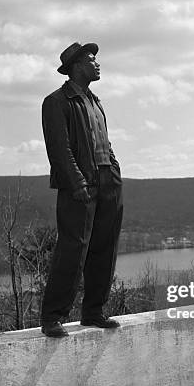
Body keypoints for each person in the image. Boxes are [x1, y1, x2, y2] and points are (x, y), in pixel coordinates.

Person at [40, 41, 123, 337]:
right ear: (76, 66)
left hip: (108, 182)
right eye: (92, 59)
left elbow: (104, 142)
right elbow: (60, 150)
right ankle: (52, 316)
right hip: (80, 185)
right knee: (72, 249)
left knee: (104, 248)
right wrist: (78, 184)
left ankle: (94, 312)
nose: (98, 63)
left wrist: (114, 170)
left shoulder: (95, 101)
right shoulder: (56, 101)